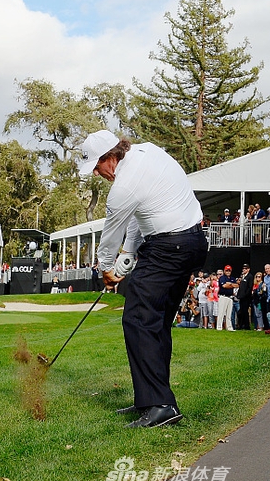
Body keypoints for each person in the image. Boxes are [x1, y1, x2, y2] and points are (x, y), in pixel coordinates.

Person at [81, 129, 208, 428]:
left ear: (109, 158)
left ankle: (160, 404)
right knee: (156, 322)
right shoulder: (148, 152)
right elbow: (142, 215)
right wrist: (127, 257)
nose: (98, 174)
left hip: (168, 247)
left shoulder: (122, 187)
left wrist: (107, 270)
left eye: (96, 167)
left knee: (138, 318)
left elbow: (110, 236)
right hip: (192, 242)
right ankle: (152, 400)